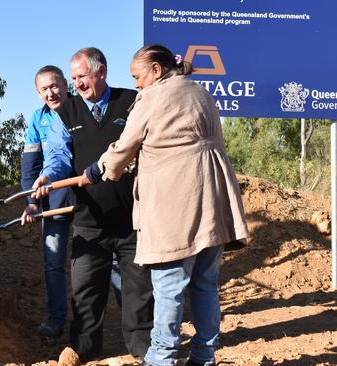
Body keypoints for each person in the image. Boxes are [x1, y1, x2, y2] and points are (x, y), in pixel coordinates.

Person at [79, 44, 249, 366]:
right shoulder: (200, 91)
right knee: (205, 283)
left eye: (138, 77)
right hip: (214, 199)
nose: (136, 84)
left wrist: (100, 169)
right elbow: (176, 141)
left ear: (156, 71)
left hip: (177, 202)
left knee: (169, 285)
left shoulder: (152, 97)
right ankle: (203, 356)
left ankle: (161, 358)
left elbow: (124, 147)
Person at [32, 47, 154, 361]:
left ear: (101, 72)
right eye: (73, 78)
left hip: (133, 220)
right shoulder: (65, 112)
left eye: (81, 77)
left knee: (138, 291)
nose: (77, 84)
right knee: (85, 292)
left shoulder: (131, 102)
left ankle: (143, 351)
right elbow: (59, 156)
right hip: (89, 223)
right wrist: (48, 176)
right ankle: (84, 351)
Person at [19, 65, 72, 338]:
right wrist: (31, 201)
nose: (51, 93)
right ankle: (56, 318)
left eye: (55, 86)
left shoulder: (81, 109)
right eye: (45, 89)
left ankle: (126, 320)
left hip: (89, 198)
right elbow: (31, 165)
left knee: (106, 260)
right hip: (54, 200)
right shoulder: (37, 119)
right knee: (53, 262)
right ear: (38, 92)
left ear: (65, 84)